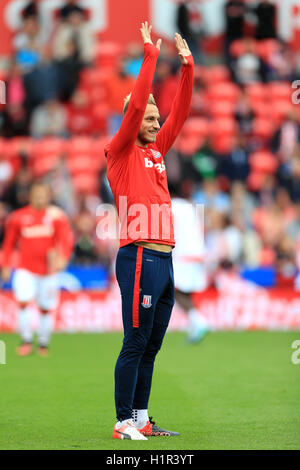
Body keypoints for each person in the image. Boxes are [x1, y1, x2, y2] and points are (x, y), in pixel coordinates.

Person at [104, 22, 194, 440]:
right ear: (132, 119)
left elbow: (182, 113)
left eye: (158, 118)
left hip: (164, 257)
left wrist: (188, 66)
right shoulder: (119, 151)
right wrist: (151, 56)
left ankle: (140, 418)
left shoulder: (157, 150)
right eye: (149, 117)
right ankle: (124, 421)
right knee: (135, 340)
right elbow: (139, 103)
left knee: (152, 343)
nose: (157, 123)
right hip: (138, 253)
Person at [1, 182, 74, 356]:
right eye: (37, 194)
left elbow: (66, 239)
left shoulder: (56, 216)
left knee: (45, 307)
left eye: (43, 194)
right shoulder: (18, 217)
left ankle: (43, 344)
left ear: (48, 196)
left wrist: (63, 257)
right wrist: (5, 265)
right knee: (23, 302)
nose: (40, 198)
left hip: (48, 271)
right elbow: (9, 242)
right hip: (24, 269)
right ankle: (26, 340)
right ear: (31, 196)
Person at [171, 194, 209, 343]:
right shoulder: (189, 206)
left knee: (172, 289)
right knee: (184, 291)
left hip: (182, 255)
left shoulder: (171, 206)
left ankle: (198, 321)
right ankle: (194, 326)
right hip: (197, 253)